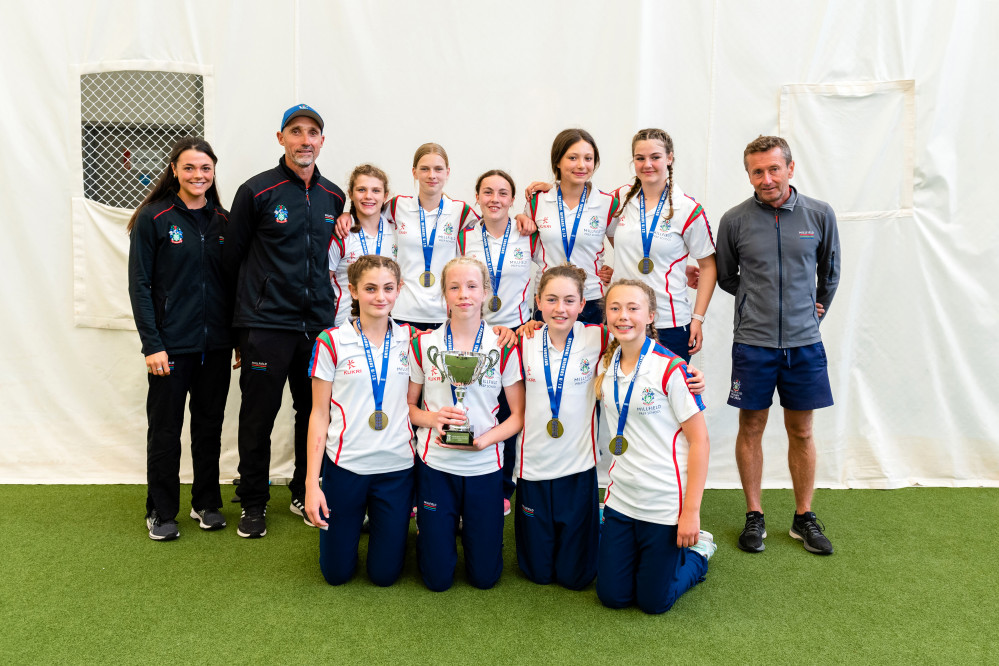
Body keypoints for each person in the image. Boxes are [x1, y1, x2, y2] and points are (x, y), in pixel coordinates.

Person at [222, 104, 346, 538]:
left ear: (322, 141)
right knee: (258, 415)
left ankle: (300, 489)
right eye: (296, 132)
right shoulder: (256, 192)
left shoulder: (334, 196)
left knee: (311, 411)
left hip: (316, 328)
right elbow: (231, 263)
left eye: (313, 132)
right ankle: (253, 501)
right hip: (266, 325)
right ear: (281, 139)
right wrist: (240, 333)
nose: (305, 140)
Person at [716, 135, 840, 555]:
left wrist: (811, 310)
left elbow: (831, 272)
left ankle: (803, 517)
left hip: (804, 344)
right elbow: (728, 277)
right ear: (748, 173)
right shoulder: (734, 220)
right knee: (750, 427)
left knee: (801, 430)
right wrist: (758, 305)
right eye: (757, 171)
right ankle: (755, 515)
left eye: (773, 169)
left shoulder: (819, 214)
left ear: (790, 167)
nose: (766, 179)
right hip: (753, 343)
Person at [127, 137, 234, 541]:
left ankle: (205, 502)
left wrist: (235, 339)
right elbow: (140, 286)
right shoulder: (154, 218)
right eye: (189, 168)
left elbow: (232, 285)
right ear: (174, 170)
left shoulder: (224, 222)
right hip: (169, 348)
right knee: (166, 430)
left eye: (205, 168)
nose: (198, 175)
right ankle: (161, 510)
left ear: (213, 172)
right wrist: (152, 344)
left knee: (209, 427)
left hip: (217, 347)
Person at [595, 280, 715, 614]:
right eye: (615, 308)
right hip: (621, 500)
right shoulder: (606, 364)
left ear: (650, 315)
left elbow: (700, 441)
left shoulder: (672, 369)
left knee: (654, 602)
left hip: (664, 505)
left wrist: (691, 512)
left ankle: (699, 554)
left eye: (633, 308)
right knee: (612, 597)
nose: (623, 316)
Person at [407, 256, 525, 591]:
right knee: (436, 580)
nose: (464, 294)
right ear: (444, 294)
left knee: (485, 578)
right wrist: (433, 419)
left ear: (486, 291)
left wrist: (485, 441)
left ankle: (467, 528)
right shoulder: (424, 344)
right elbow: (408, 408)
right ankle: (434, 529)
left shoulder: (502, 345)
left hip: (484, 466)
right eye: (454, 287)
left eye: (472, 286)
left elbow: (518, 415)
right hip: (436, 467)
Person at [304, 256, 414, 586]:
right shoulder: (331, 341)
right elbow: (319, 414)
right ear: (353, 291)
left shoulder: (414, 340)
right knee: (336, 575)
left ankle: (382, 528)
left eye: (388, 288)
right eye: (370, 288)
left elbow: (462, 336)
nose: (380, 297)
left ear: (399, 291)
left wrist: (516, 330)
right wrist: (312, 484)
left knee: (384, 576)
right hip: (345, 468)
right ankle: (356, 525)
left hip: (396, 469)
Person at [515, 264, 607, 589]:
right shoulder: (521, 341)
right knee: (537, 574)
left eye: (569, 300)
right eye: (552, 299)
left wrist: (684, 370)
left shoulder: (598, 337)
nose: (560, 308)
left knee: (576, 578)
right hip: (533, 470)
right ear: (538, 301)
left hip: (578, 469)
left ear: (583, 304)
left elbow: (643, 344)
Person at [459, 169, 540, 513]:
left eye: (503, 193)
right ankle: (461, 479)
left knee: (508, 414)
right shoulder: (463, 238)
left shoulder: (529, 234)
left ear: (512, 199)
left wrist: (535, 319)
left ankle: (503, 488)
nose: (495, 199)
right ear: (477, 197)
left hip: (516, 337)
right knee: (470, 408)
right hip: (473, 334)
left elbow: (553, 273)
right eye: (488, 192)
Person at [608, 128, 717, 362]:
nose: (647, 164)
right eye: (640, 158)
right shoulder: (619, 198)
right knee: (621, 392)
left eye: (655, 157)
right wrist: (546, 187)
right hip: (623, 319)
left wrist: (698, 318)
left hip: (669, 321)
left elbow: (708, 267)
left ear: (669, 158)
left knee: (668, 394)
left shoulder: (688, 209)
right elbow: (580, 203)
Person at [519, 129, 618, 324]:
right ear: (557, 161)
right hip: (549, 298)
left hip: (591, 300)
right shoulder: (537, 201)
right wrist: (518, 216)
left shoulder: (607, 203)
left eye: (588, 158)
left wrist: (616, 272)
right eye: (572, 158)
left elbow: (626, 249)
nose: (581, 165)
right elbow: (522, 245)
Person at [386, 143, 478, 331]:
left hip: (444, 313)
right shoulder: (396, 206)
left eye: (438, 169)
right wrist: (348, 216)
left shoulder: (460, 211)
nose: (432, 175)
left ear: (447, 172)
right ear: (414, 172)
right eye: (425, 169)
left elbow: (492, 228)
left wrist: (521, 218)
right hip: (402, 311)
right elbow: (366, 214)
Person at [328, 164, 397, 326]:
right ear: (350, 194)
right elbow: (323, 282)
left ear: (385, 195)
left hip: (385, 324)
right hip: (344, 324)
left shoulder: (396, 231)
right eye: (361, 190)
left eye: (376, 190)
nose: (368, 196)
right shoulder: (341, 233)